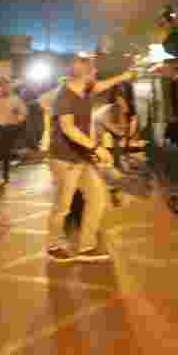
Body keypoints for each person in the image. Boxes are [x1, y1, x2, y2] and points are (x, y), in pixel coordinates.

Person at [46, 55, 136, 263]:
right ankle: (53, 246)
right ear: (84, 74)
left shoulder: (85, 89)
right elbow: (68, 129)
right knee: (63, 206)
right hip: (64, 160)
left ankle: (87, 246)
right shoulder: (65, 97)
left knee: (97, 199)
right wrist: (95, 147)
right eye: (93, 71)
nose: (96, 74)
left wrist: (124, 76)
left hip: (82, 158)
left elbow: (102, 86)